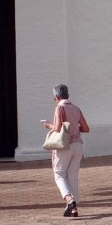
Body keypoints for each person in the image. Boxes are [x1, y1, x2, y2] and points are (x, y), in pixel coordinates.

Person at [42, 83, 89, 217]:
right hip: (78, 145)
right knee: (72, 175)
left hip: (65, 145)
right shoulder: (76, 108)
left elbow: (57, 128)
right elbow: (86, 128)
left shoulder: (60, 108)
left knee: (59, 174)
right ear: (67, 95)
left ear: (56, 97)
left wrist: (47, 125)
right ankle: (73, 209)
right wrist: (74, 128)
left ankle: (69, 199)